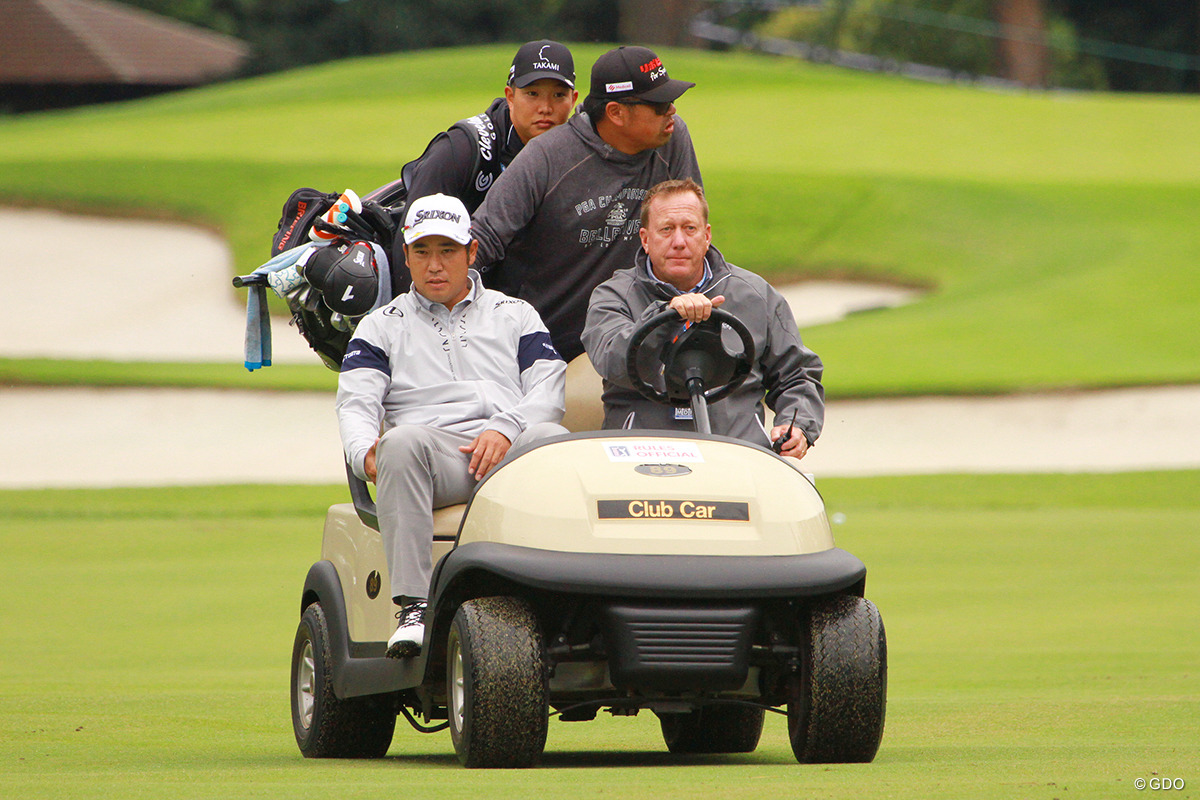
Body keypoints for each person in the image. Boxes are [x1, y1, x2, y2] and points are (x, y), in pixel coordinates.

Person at [336, 193, 568, 658]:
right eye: (422, 252)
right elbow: (356, 402)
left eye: (447, 251)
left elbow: (549, 390)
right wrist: (364, 452)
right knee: (398, 442)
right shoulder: (382, 325)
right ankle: (413, 607)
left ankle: (561, 603)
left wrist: (505, 428)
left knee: (554, 441)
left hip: (509, 454)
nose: (434, 265)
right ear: (405, 256)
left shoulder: (514, 314)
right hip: (436, 461)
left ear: (472, 253)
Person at [471, 45, 703, 362]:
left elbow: (693, 233)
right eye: (659, 105)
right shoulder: (547, 156)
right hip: (537, 345)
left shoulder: (672, 139)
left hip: (629, 337)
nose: (672, 111)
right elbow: (481, 238)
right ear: (616, 113)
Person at [581, 179, 824, 458]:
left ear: (706, 235)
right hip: (641, 456)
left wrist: (798, 425)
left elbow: (797, 375)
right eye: (667, 230)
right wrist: (666, 314)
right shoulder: (613, 296)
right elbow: (614, 363)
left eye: (690, 229)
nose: (679, 242)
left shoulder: (756, 295)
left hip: (738, 453)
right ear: (646, 239)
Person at [385, 40, 578, 292]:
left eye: (558, 95)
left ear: (573, 99)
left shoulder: (578, 152)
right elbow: (411, 241)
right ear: (510, 96)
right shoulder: (463, 148)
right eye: (532, 93)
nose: (545, 108)